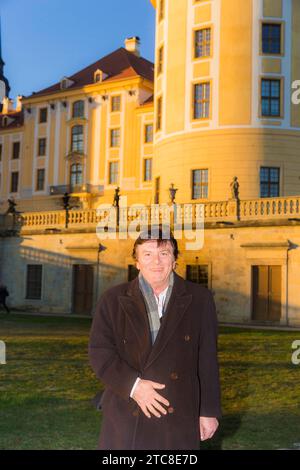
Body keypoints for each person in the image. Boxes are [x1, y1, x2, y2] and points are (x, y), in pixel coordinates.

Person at [88, 226, 221, 450]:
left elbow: (207, 359)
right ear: (137, 261)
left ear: (175, 259)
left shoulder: (200, 299)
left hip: (178, 413)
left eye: (164, 253)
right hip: (127, 412)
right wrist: (134, 386)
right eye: (147, 254)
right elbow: (99, 352)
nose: (156, 262)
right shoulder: (112, 299)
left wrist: (208, 411)